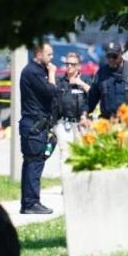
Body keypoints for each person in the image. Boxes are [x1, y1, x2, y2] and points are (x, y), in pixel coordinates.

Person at [18, 42, 57, 215]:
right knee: (34, 163)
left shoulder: (37, 71)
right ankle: (31, 203)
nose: (51, 58)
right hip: (34, 125)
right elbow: (51, 91)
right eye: (49, 54)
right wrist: (52, 73)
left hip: (36, 124)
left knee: (32, 163)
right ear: (39, 54)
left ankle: (28, 202)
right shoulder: (33, 71)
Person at [54, 52, 91, 173]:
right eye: (67, 64)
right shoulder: (60, 82)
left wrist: (80, 83)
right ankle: (66, 186)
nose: (69, 66)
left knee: (82, 154)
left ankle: (80, 186)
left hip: (82, 123)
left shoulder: (86, 80)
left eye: (73, 64)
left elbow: (94, 95)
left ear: (78, 66)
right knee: (65, 155)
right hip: (64, 124)